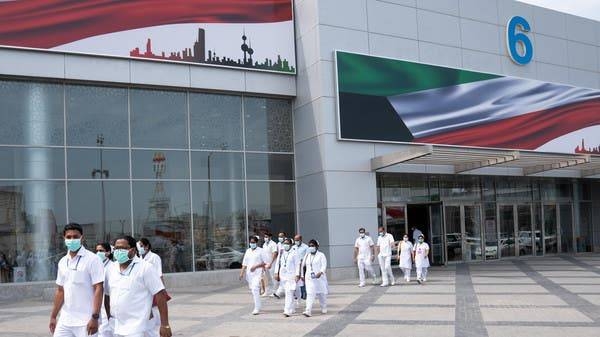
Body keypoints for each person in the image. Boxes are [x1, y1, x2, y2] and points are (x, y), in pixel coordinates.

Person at [104, 235, 171, 337]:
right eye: (117, 248)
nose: (119, 251)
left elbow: (160, 294)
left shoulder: (145, 268)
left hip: (137, 328)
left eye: (123, 248)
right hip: (115, 327)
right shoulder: (111, 268)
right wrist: (109, 317)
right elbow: (107, 295)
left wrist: (165, 324)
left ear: (133, 250)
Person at [49, 223, 104, 337]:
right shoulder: (63, 262)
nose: (72, 239)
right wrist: (53, 316)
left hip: (86, 321)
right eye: (69, 237)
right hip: (65, 321)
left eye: (75, 236)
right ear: (64, 238)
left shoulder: (93, 259)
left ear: (81, 238)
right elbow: (60, 291)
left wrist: (95, 317)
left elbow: (98, 289)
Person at [137, 238, 164, 337]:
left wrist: (162, 293)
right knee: (147, 320)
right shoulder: (139, 258)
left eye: (141, 246)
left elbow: (159, 275)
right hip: (144, 293)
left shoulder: (154, 257)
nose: (139, 248)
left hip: (154, 290)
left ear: (147, 246)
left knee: (154, 320)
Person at [239, 236, 268, 315]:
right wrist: (242, 273)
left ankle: (257, 308)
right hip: (250, 274)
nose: (252, 244)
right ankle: (258, 305)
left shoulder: (261, 251)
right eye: (251, 242)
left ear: (256, 243)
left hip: (258, 273)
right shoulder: (248, 251)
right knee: (253, 290)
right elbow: (245, 263)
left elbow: (265, 262)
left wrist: (256, 266)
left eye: (253, 242)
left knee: (255, 288)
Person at [274, 238, 300, 317]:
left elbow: (297, 264)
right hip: (283, 276)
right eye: (284, 243)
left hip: (291, 276)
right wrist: (276, 273)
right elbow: (278, 263)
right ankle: (292, 308)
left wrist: (297, 274)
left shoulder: (294, 253)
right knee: (288, 292)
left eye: (287, 243)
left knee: (289, 292)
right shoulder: (282, 252)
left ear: (291, 245)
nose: (285, 245)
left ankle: (287, 310)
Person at [301, 240, 328, 317]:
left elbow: (324, 265)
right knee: (310, 293)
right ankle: (308, 310)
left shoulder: (321, 255)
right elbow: (303, 266)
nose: (311, 247)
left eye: (312, 245)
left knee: (321, 293)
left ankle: (324, 307)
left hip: (319, 277)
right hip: (309, 278)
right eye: (309, 246)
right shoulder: (307, 255)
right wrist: (302, 275)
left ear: (317, 246)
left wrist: (321, 272)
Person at [96, 242, 114, 337]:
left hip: (107, 308)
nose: (98, 253)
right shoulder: (97, 265)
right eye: (97, 250)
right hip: (98, 307)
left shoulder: (112, 267)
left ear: (108, 252)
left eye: (101, 251)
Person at [291, 234, 309, 300]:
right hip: (295, 266)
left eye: (297, 240)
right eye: (295, 240)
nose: (296, 241)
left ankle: (304, 293)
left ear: (301, 240)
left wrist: (302, 261)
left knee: (302, 279)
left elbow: (307, 256)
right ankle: (296, 294)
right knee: (295, 279)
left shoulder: (305, 247)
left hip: (303, 266)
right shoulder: (293, 247)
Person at [262, 232, 278, 297]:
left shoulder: (273, 244)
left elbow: (275, 253)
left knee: (273, 278)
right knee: (266, 278)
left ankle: (275, 291)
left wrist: (271, 263)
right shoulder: (264, 244)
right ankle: (267, 291)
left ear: (270, 237)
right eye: (264, 237)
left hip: (272, 263)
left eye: (266, 237)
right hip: (265, 263)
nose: (265, 238)